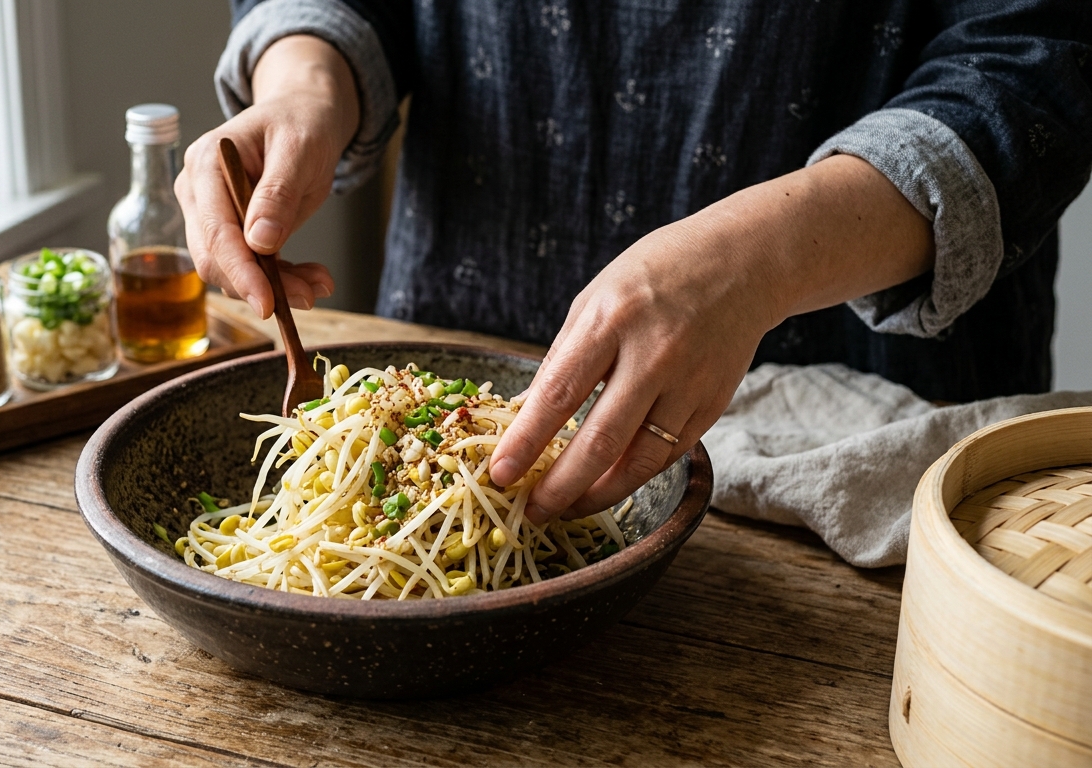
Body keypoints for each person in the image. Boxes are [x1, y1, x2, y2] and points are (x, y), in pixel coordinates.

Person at [174, 1, 1092, 527]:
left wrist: (760, 261)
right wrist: (306, 76)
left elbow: (1035, 57)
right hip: (465, 312)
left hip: (860, 426)